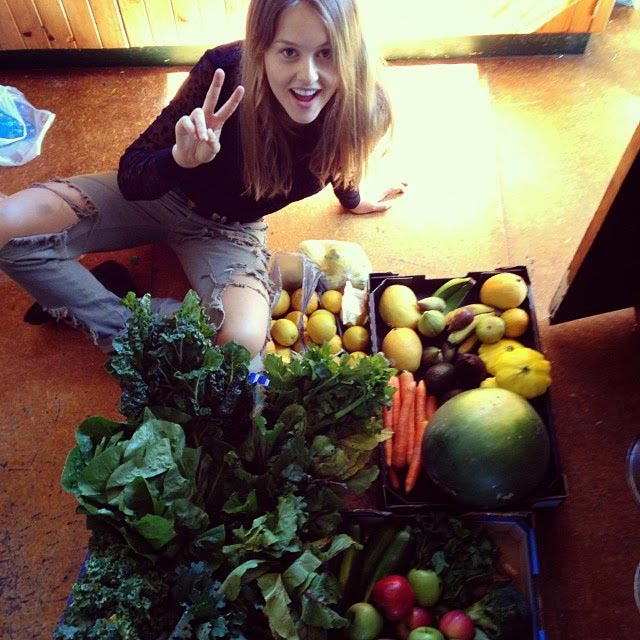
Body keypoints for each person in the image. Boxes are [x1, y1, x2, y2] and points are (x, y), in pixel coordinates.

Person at [0, 0, 405, 359]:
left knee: (241, 343)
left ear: (350, 52)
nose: (308, 76)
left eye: (328, 53)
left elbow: (337, 154)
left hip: (230, 233)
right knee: (4, 224)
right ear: (261, 48)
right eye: (288, 52)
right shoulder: (223, 72)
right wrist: (179, 159)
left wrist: (352, 199)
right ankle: (112, 313)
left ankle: (94, 306)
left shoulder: (363, 108)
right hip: (162, 195)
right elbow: (131, 175)